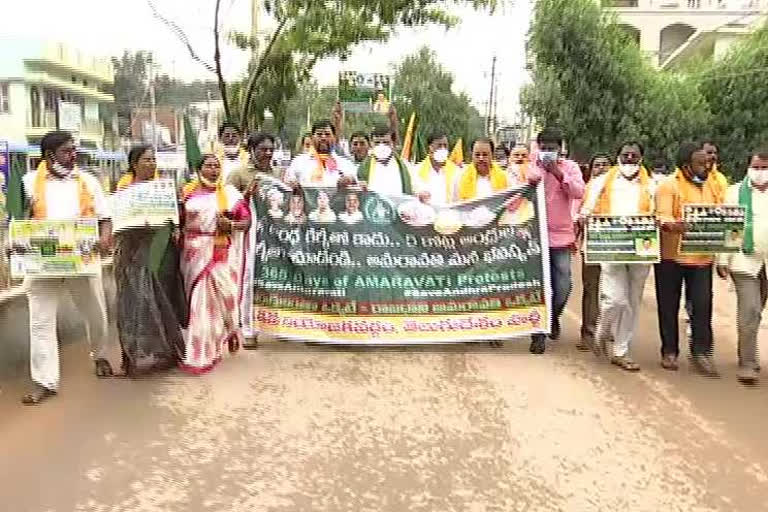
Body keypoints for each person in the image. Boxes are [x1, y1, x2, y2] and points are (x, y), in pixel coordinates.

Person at [20, 131, 112, 404]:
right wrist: (14, 245)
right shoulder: (27, 183)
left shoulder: (88, 181)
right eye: (67, 151)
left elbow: (105, 217)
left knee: (95, 313)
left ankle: (100, 355)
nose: (74, 155)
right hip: (42, 262)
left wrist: (105, 238)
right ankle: (45, 381)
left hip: (81, 258)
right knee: (40, 322)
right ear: (49, 155)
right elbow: (17, 221)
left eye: (74, 150)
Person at [579, 142, 654, 371]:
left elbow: (658, 212)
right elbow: (586, 210)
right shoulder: (601, 182)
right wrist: (583, 218)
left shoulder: (651, 185)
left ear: (641, 158)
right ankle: (602, 332)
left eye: (634, 155)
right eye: (625, 155)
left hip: (641, 249)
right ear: (618, 156)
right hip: (611, 247)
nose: (630, 159)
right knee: (614, 299)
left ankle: (621, 351)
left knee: (632, 303)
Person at [113, 145, 187, 376]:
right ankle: (130, 357)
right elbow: (117, 220)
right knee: (133, 303)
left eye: (154, 159)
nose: (152, 164)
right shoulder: (124, 189)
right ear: (134, 164)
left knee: (164, 299)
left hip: (161, 250)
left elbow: (175, 218)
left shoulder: (163, 189)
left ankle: (170, 352)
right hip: (132, 252)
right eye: (146, 160)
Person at [655, 142, 727, 376]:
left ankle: (701, 353)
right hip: (671, 257)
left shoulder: (713, 186)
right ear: (686, 166)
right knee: (668, 306)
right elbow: (662, 217)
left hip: (702, 258)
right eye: (700, 163)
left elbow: (723, 215)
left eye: (707, 162)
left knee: (703, 306)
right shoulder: (668, 187)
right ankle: (669, 351)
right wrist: (675, 225)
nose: (706, 166)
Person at [180, 154, 251, 374]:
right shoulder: (186, 192)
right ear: (199, 169)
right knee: (199, 305)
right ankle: (199, 353)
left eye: (216, 166)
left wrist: (230, 224)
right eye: (208, 166)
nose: (213, 170)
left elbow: (246, 221)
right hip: (193, 252)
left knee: (225, 297)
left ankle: (229, 330)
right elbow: (177, 220)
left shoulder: (229, 194)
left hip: (221, 251)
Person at [523, 128, 585, 354]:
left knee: (563, 286)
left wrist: (558, 173)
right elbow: (523, 185)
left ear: (561, 149)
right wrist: (538, 169)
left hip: (561, 236)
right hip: (535, 236)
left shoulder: (570, 168)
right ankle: (538, 333)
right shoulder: (531, 166)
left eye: (552, 149)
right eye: (544, 148)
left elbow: (578, 192)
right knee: (540, 286)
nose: (547, 152)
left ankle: (553, 317)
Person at [716, 149, 768, 384]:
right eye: (756, 167)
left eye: (764, 168)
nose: (759, 172)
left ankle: (745, 349)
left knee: (756, 313)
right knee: (750, 309)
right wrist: (723, 259)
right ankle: (748, 363)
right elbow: (729, 228)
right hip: (744, 260)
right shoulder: (735, 192)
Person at [575, 153, 612, 352]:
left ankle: (607, 330)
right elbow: (576, 214)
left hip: (617, 248)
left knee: (614, 293)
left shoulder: (620, 189)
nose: (601, 168)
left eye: (605, 165)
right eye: (597, 165)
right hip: (591, 246)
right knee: (591, 289)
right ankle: (588, 333)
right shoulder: (586, 189)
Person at [284, 120, 357, 187]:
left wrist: (351, 181)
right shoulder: (298, 162)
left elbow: (356, 188)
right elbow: (287, 183)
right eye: (319, 134)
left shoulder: (346, 165)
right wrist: (291, 183)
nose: (323, 138)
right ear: (312, 138)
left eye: (327, 134)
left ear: (334, 138)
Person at [357, 125, 415, 195]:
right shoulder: (363, 168)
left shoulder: (405, 166)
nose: (381, 146)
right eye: (377, 143)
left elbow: (415, 189)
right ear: (371, 144)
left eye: (386, 142)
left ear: (393, 144)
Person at [412, 133, 461, 206]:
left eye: (445, 146)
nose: (443, 149)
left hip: (448, 214)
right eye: (439, 146)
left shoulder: (456, 171)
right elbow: (412, 194)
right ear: (430, 147)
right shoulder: (416, 170)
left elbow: (459, 198)